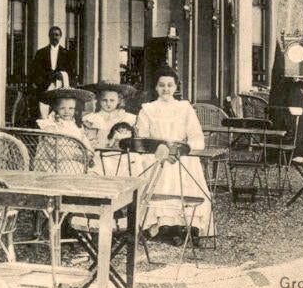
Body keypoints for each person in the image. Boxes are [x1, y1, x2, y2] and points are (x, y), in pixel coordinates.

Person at [134, 65, 214, 241]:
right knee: (156, 167)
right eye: (161, 85)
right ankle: (162, 225)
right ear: (156, 87)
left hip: (180, 154)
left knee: (186, 165)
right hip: (156, 154)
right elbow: (142, 139)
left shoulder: (184, 108)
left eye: (170, 85)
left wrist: (181, 150)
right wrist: (159, 150)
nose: (166, 89)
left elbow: (196, 137)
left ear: (176, 87)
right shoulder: (147, 109)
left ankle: (186, 225)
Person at [30, 26, 77, 117]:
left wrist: (62, 76)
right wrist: (47, 78)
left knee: (60, 106)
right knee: (44, 108)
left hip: (61, 84)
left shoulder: (67, 54)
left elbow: (71, 71)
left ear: (60, 36)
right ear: (49, 36)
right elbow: (36, 71)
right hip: (45, 84)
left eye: (57, 35)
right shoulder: (41, 53)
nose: (54, 37)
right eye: (52, 35)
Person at [82, 81, 138, 149]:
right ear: (99, 100)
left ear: (119, 101)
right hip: (99, 151)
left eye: (112, 100)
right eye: (104, 100)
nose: (108, 104)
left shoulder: (125, 117)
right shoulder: (93, 118)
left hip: (121, 152)